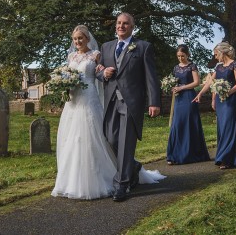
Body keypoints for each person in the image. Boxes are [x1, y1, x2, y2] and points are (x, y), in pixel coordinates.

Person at [51, 25, 164, 200]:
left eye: (81, 38)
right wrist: (64, 86)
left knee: (94, 137)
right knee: (71, 139)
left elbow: (100, 72)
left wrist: (104, 71)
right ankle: (71, 181)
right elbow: (69, 75)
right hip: (73, 102)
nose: (78, 41)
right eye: (75, 39)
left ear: (88, 38)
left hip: (89, 99)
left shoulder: (96, 54)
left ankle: (115, 176)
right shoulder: (71, 56)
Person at [97, 13, 162, 202]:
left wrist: (154, 102)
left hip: (131, 102)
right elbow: (99, 73)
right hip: (111, 101)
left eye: (125, 23)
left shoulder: (143, 47)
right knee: (110, 139)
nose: (121, 26)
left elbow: (151, 77)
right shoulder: (106, 47)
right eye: (119, 23)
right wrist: (104, 74)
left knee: (126, 142)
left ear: (132, 27)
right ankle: (132, 167)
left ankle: (121, 184)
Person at [194, 42, 236, 169]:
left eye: (216, 54)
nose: (215, 57)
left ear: (222, 52)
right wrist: (200, 93)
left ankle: (224, 158)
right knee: (222, 128)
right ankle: (232, 157)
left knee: (229, 127)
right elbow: (209, 83)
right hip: (220, 101)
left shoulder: (235, 64)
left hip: (231, 100)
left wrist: (229, 92)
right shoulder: (218, 67)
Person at [166, 44, 211, 165]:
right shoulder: (176, 68)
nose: (180, 58)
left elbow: (197, 82)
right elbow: (175, 82)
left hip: (189, 97)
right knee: (177, 124)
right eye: (178, 56)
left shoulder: (192, 66)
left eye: (183, 56)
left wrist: (182, 88)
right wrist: (173, 87)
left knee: (189, 123)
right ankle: (174, 154)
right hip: (178, 99)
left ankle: (190, 154)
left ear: (187, 54)